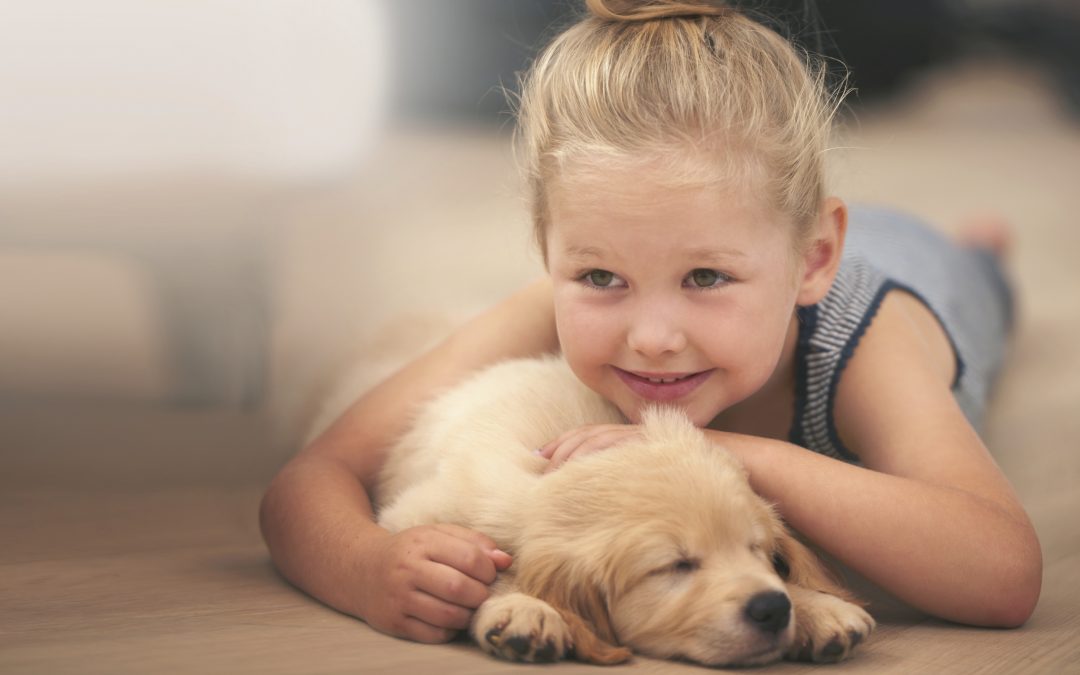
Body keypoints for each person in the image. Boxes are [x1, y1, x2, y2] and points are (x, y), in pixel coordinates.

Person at [259, 0, 1042, 645]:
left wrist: (719, 449)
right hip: (775, 226)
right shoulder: (547, 309)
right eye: (601, 276)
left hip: (918, 270)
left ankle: (984, 251)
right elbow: (310, 480)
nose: (653, 336)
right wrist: (367, 565)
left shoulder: (867, 345)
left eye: (705, 277)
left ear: (812, 260)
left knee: (974, 274)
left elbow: (1003, 572)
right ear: (547, 254)